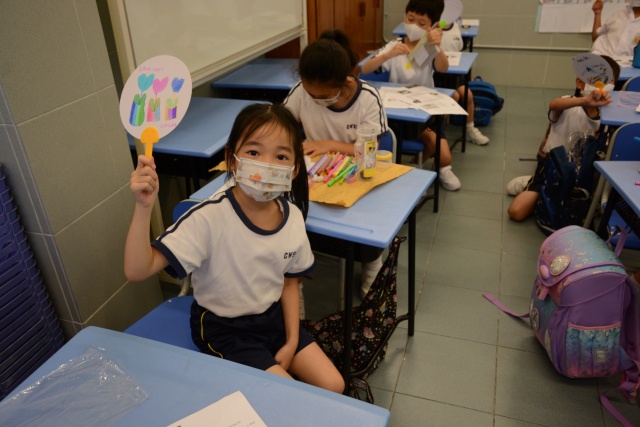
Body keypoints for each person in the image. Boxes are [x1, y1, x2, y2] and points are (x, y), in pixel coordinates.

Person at [124, 103, 344, 394]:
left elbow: (290, 283)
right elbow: (137, 270)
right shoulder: (209, 217)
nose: (266, 164)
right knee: (289, 396)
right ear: (232, 159)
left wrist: (292, 341)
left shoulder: (291, 216)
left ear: (294, 169)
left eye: (281, 156)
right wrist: (143, 208)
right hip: (226, 329)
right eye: (254, 152)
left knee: (335, 385)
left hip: (273, 320)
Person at [283, 29, 388, 298]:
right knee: (290, 213)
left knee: (366, 222)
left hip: (356, 174)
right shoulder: (300, 92)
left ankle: (371, 261)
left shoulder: (368, 99)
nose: (316, 100)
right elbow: (281, 126)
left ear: (345, 81)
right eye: (311, 94)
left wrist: (330, 145)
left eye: (324, 96)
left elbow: (370, 151)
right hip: (316, 174)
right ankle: (297, 266)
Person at [359, 0, 464, 191]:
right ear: (404, 17)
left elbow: (443, 68)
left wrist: (437, 46)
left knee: (444, 156)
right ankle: (406, 170)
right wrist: (386, 56)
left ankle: (416, 169)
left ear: (432, 26)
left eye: (421, 23)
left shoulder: (429, 48)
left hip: (424, 113)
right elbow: (364, 69)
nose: (414, 25)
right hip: (395, 112)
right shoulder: (394, 46)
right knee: (393, 143)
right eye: (410, 19)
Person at [506, 55, 620, 222]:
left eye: (608, 80)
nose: (601, 85)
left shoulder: (612, 116)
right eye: (594, 79)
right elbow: (554, 104)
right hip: (553, 169)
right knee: (516, 212)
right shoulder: (569, 104)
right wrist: (585, 101)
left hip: (585, 175)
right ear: (580, 83)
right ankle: (531, 184)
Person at [436, 20, 491, 147]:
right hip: (439, 75)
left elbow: (459, 51)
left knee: (468, 96)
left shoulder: (455, 27)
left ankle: (470, 129)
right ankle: (437, 129)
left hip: (454, 74)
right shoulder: (435, 29)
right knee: (454, 97)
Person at [591, 0, 640, 67]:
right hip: (600, 61)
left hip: (626, 66)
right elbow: (595, 37)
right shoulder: (618, 14)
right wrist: (597, 14)